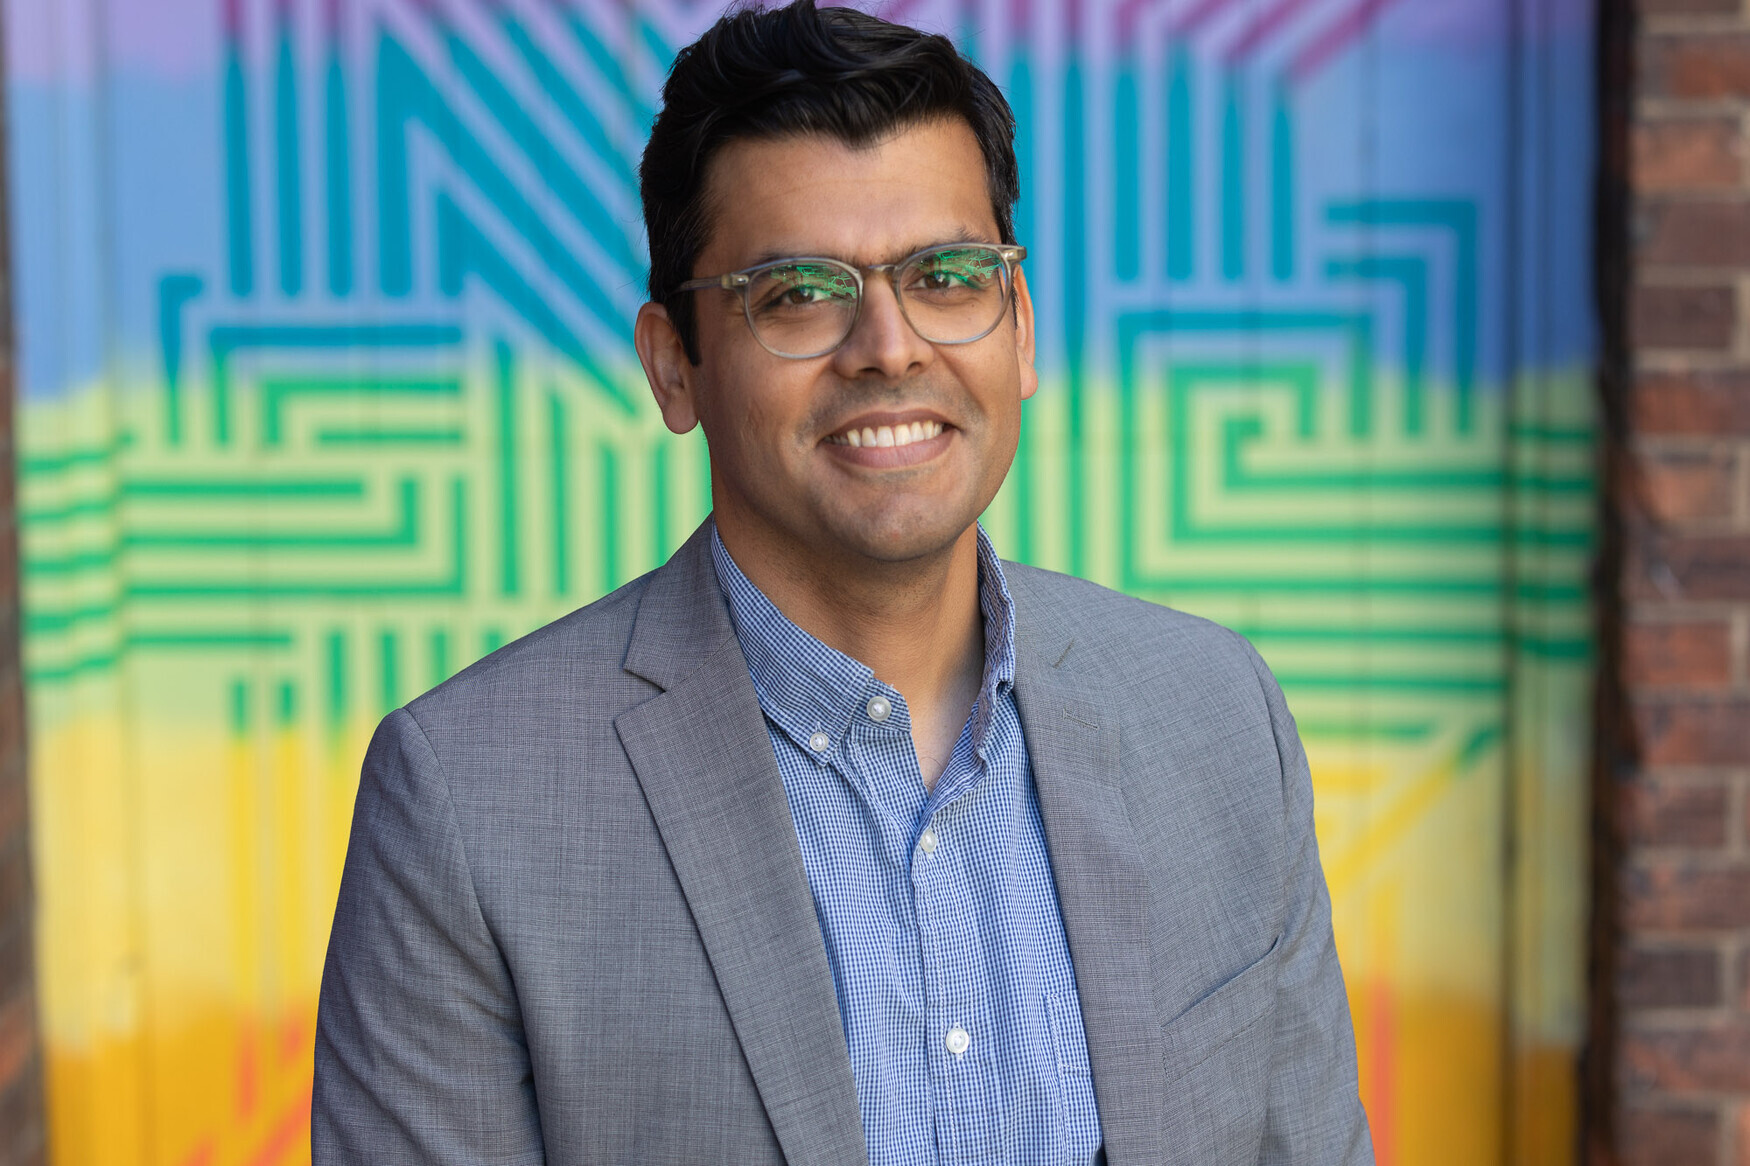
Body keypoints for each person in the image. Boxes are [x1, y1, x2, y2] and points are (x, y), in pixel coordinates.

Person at [312, 3, 1373, 1163]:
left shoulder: (1217, 717)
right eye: (799, 293)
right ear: (675, 366)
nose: (889, 346)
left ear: (1019, 329)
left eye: (949, 275)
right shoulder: (470, 799)